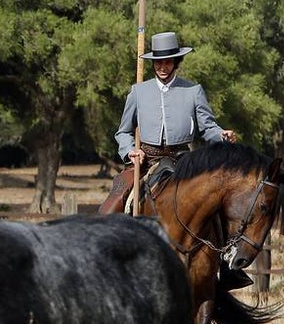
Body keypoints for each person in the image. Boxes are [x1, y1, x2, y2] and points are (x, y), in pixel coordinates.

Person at [99, 31, 250, 288]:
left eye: (168, 62)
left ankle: (225, 263)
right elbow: (122, 132)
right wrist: (130, 151)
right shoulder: (138, 91)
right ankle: (103, 253)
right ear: (153, 64)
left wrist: (221, 135)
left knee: (214, 203)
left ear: (176, 63)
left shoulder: (193, 90)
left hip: (184, 161)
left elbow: (208, 128)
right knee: (116, 199)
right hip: (147, 161)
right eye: (158, 62)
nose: (162, 67)